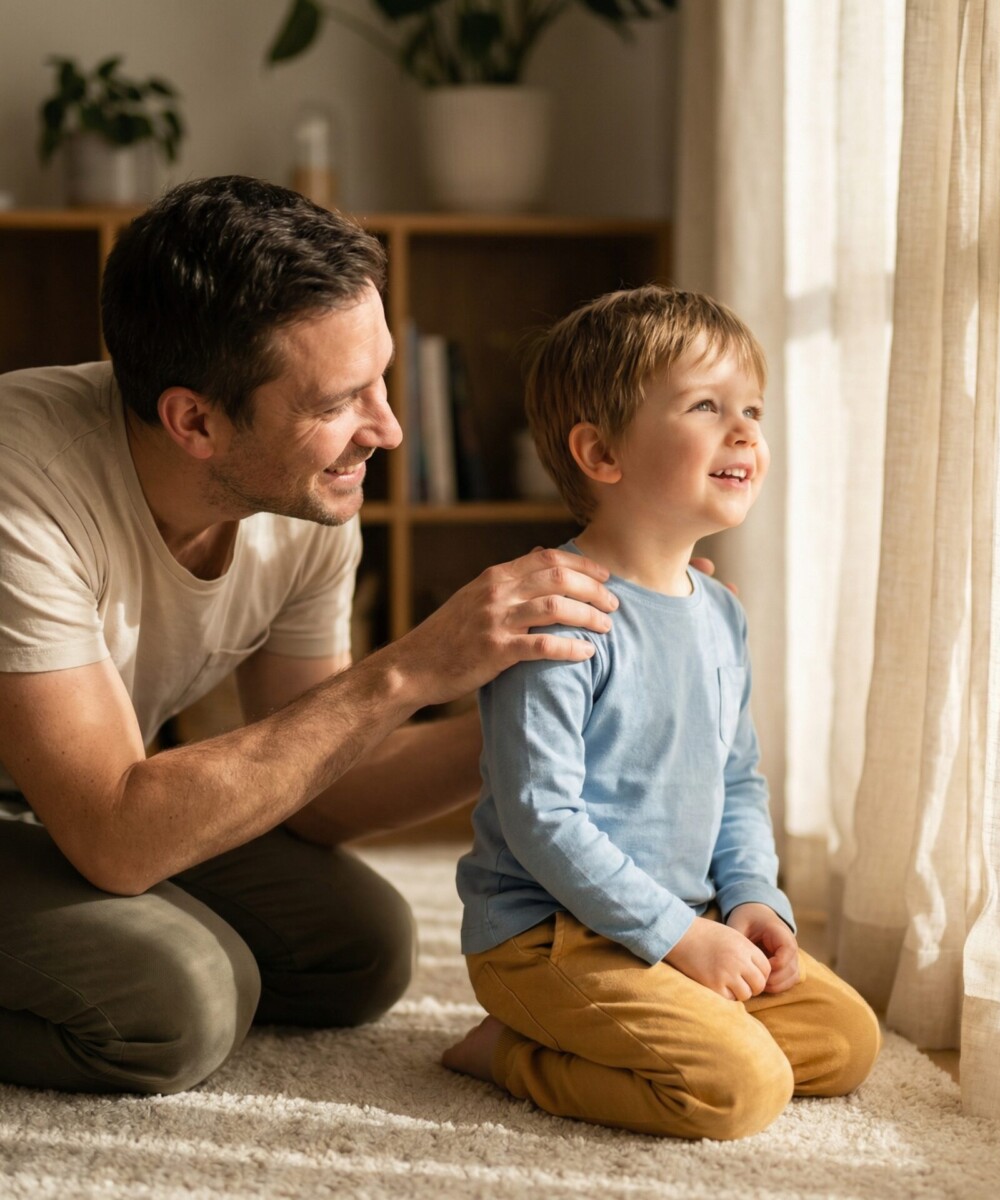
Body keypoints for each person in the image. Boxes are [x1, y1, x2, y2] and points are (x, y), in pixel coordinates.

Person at [0, 175, 623, 1095]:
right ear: (196, 420)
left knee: (356, 950)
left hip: (64, 804)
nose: (390, 429)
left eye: (382, 379)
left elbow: (318, 789)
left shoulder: (302, 492)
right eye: (339, 401)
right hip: (74, 811)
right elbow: (116, 836)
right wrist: (412, 666)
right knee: (180, 997)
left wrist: (548, 706)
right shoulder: (25, 486)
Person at [441, 286, 881, 1140]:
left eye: (751, 408)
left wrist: (753, 900)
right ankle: (506, 1050)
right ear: (601, 452)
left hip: (685, 918)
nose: (746, 431)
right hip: (549, 938)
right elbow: (541, 816)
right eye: (707, 407)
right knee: (740, 1091)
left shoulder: (719, 614)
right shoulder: (560, 608)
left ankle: (654, 1023)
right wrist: (678, 937)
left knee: (844, 1041)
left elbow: (738, 780)